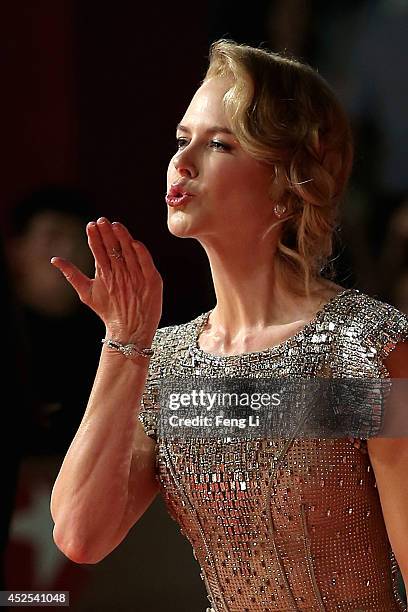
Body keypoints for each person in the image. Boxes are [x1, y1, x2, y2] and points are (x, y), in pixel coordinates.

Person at [49, 40, 408, 611]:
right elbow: (80, 536)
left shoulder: (364, 348)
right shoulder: (166, 365)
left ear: (290, 179)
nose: (182, 163)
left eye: (219, 144)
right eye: (181, 140)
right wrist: (125, 344)